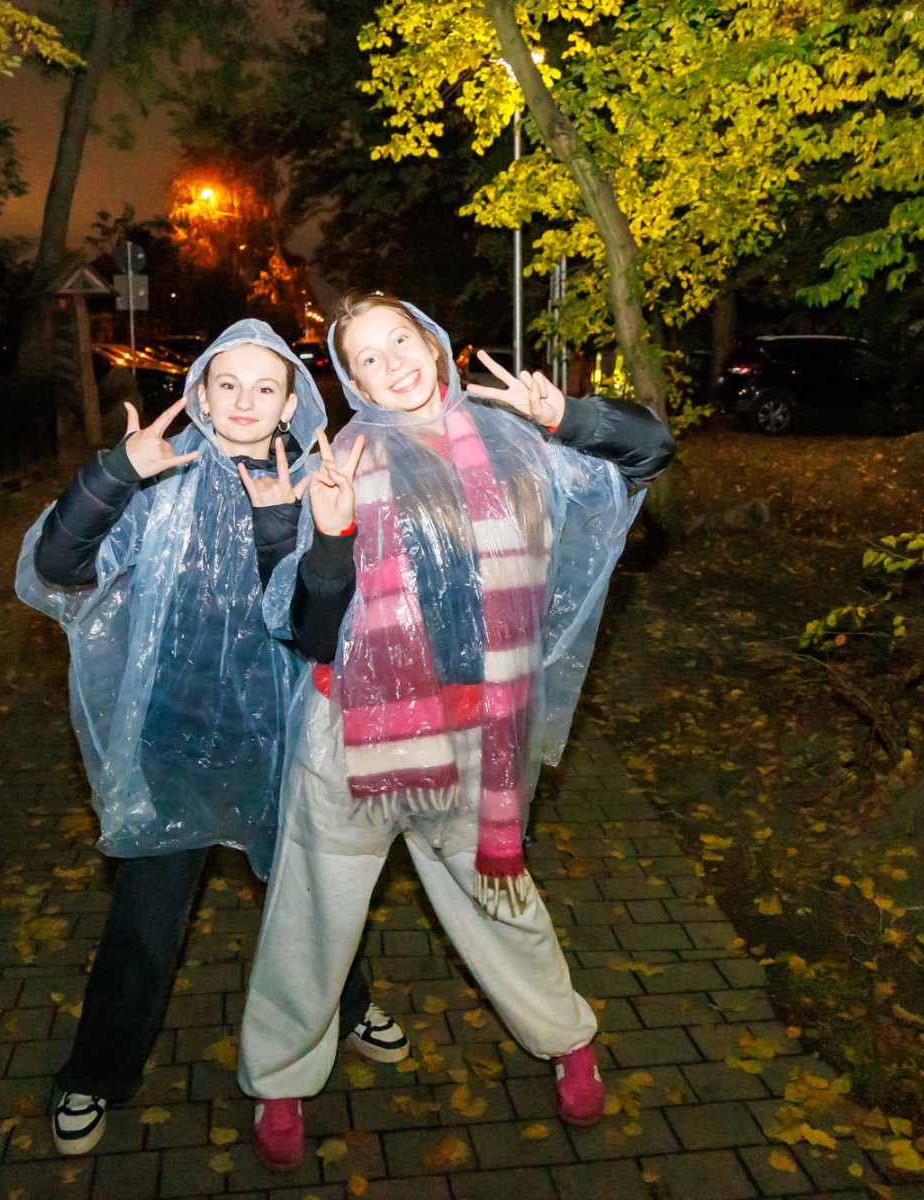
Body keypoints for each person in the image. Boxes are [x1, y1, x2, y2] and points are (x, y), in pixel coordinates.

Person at [237, 294, 674, 1170]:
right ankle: (280, 1076)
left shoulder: (517, 444)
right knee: (311, 913)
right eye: (367, 357)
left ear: (433, 344)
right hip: (353, 739)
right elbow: (310, 630)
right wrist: (328, 540)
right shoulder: (342, 460)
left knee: (502, 905)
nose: (392, 362)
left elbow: (651, 453)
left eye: (400, 339)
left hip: (477, 737)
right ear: (353, 383)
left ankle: (566, 1039)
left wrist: (570, 416)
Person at [16, 321, 407, 1158]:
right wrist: (116, 474)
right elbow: (58, 567)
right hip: (175, 735)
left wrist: (297, 530)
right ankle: (96, 1071)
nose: (244, 402)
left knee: (311, 896)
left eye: (265, 387)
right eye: (226, 384)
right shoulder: (160, 479)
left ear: (291, 403)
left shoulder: (320, 484)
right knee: (146, 918)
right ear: (199, 391)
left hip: (284, 741)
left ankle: (345, 1004)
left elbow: (318, 632)